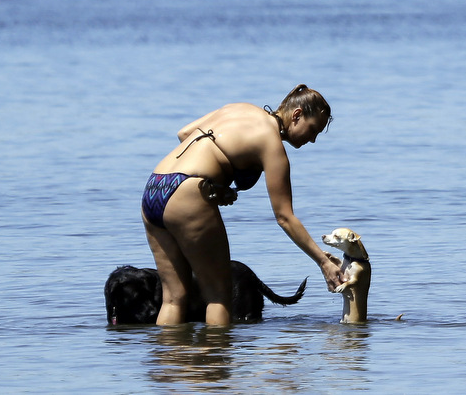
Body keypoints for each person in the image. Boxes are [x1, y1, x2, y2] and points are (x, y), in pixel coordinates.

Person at [141, 84, 344, 325]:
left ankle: (175, 361)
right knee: (218, 297)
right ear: (297, 115)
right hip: (186, 195)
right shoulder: (272, 146)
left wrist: (216, 186)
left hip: (155, 186)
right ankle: (215, 361)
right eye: (313, 130)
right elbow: (284, 217)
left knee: (174, 298)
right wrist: (322, 261)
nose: (312, 140)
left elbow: (184, 133)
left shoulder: (239, 108)